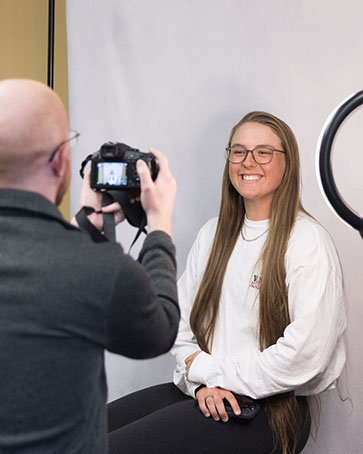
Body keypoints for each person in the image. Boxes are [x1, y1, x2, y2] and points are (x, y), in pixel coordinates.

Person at [107, 111, 346, 454]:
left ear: (287, 163)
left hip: (272, 413)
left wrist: (213, 373)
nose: (249, 161)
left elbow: (305, 355)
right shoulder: (214, 233)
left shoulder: (307, 241)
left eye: (264, 152)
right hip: (208, 393)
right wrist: (202, 384)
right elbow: (179, 324)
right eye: (239, 151)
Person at [0, 79, 179, 453]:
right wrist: (159, 223)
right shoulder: (97, 268)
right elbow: (159, 331)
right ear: (61, 160)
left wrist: (86, 229)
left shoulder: (88, 260)